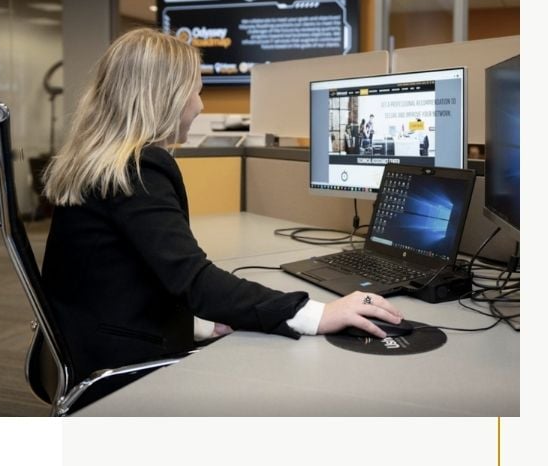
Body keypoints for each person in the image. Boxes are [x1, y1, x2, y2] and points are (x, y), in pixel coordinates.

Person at [42, 28, 402, 386]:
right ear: (164, 97)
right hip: (119, 363)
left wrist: (196, 322)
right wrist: (318, 314)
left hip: (90, 338)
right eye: (196, 91)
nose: (201, 106)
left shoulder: (101, 161)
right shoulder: (138, 169)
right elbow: (196, 282)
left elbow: (127, 273)